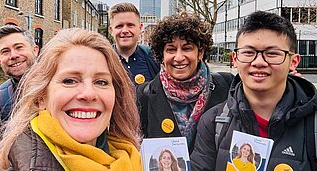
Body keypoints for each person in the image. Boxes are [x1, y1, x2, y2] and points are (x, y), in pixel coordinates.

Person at [0, 28, 142, 170]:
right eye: (69, 81)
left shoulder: (132, 159)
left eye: (101, 82)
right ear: (41, 97)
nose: (88, 94)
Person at [190, 11, 317, 171]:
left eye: (272, 53)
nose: (258, 62)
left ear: (294, 61)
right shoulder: (213, 123)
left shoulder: (314, 125)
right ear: (235, 59)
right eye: (249, 52)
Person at [136, 11, 234, 152]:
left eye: (187, 48)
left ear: (200, 52)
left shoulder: (226, 86)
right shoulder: (142, 95)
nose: (179, 57)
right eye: (171, 49)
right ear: (161, 55)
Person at [0, 24, 39, 166]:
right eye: (5, 51)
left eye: (19, 47)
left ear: (35, 50)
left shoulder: (63, 87)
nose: (13, 55)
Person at [109, 2, 160, 85]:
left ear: (140, 28)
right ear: (111, 30)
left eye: (130, 25)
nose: (125, 30)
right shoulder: (103, 60)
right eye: (119, 26)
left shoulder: (154, 58)